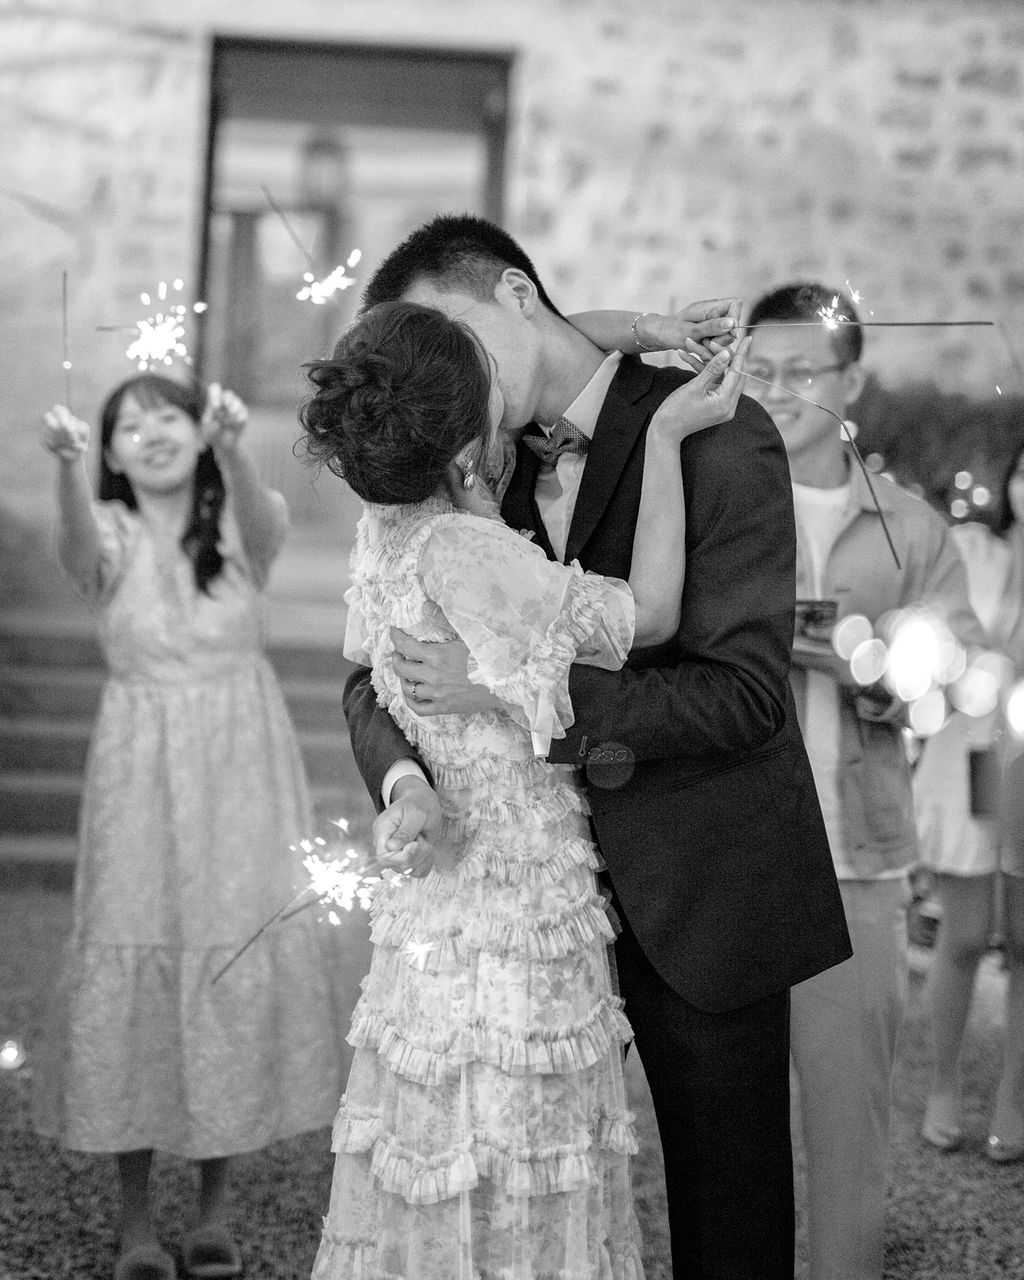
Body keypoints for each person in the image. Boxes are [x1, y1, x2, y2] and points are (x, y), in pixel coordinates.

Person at [340, 215, 852, 1280]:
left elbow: (745, 695)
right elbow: (370, 672)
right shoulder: (454, 455)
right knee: (516, 1202)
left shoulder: (713, 430)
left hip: (694, 885)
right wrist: (402, 773)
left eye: (456, 335)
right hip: (509, 914)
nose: (449, 373)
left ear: (519, 296)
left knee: (727, 1213)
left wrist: (516, 697)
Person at [298, 297, 749, 1278]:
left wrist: (626, 331)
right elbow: (654, 613)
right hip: (519, 904)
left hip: (437, 908)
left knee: (439, 1140)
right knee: (517, 1148)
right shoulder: (473, 550)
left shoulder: (385, 527)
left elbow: (386, 669)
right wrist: (665, 433)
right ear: (464, 435)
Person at [32, 374, 349, 1280]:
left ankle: (214, 1209)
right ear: (112, 454)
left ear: (196, 427)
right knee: (139, 941)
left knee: (227, 948)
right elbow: (74, 545)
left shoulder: (244, 528)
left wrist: (232, 446)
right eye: (126, 426)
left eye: (164, 414)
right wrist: (64, 468)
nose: (149, 432)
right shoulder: (112, 535)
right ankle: (135, 1219)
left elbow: (263, 519)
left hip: (239, 757)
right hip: (139, 758)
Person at [742, 282, 986, 1280]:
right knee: (729, 1132)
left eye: (799, 371)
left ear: (850, 378)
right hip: (728, 852)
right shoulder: (706, 492)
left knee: (849, 1120)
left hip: (857, 857)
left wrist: (881, 669)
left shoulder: (907, 526)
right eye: (757, 370)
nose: (776, 389)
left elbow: (962, 671)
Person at [914, 441, 1024, 1162]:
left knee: (1023, 942)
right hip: (976, 753)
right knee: (963, 933)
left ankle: (1014, 1096)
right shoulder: (974, 551)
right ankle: (942, 1083)